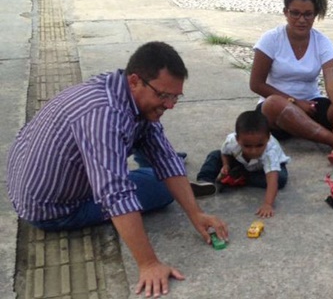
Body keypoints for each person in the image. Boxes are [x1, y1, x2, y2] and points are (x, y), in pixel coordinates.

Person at [6, 41, 228, 298]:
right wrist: (148, 264)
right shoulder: (104, 115)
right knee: (159, 188)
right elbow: (116, 194)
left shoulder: (118, 88)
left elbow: (164, 156)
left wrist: (196, 214)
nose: (170, 105)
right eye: (163, 95)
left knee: (159, 149)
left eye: (176, 96)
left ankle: (146, 165)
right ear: (135, 81)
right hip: (49, 208)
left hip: (30, 180)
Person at [249, 0, 333, 168]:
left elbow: (332, 84)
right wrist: (295, 102)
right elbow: (256, 84)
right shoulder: (270, 39)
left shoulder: (322, 42)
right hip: (276, 111)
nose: (301, 20)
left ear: (315, 15)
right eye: (295, 13)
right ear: (285, 12)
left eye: (308, 14)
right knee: (273, 104)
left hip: (312, 106)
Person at [190, 110, 290, 218]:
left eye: (259, 145)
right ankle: (204, 181)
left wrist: (267, 204)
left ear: (268, 138)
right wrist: (226, 165)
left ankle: (241, 177)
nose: (253, 151)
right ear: (238, 139)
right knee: (214, 155)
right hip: (240, 162)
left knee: (280, 179)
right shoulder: (231, 142)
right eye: (247, 146)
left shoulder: (270, 152)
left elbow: (272, 180)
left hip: (262, 169)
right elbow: (225, 153)